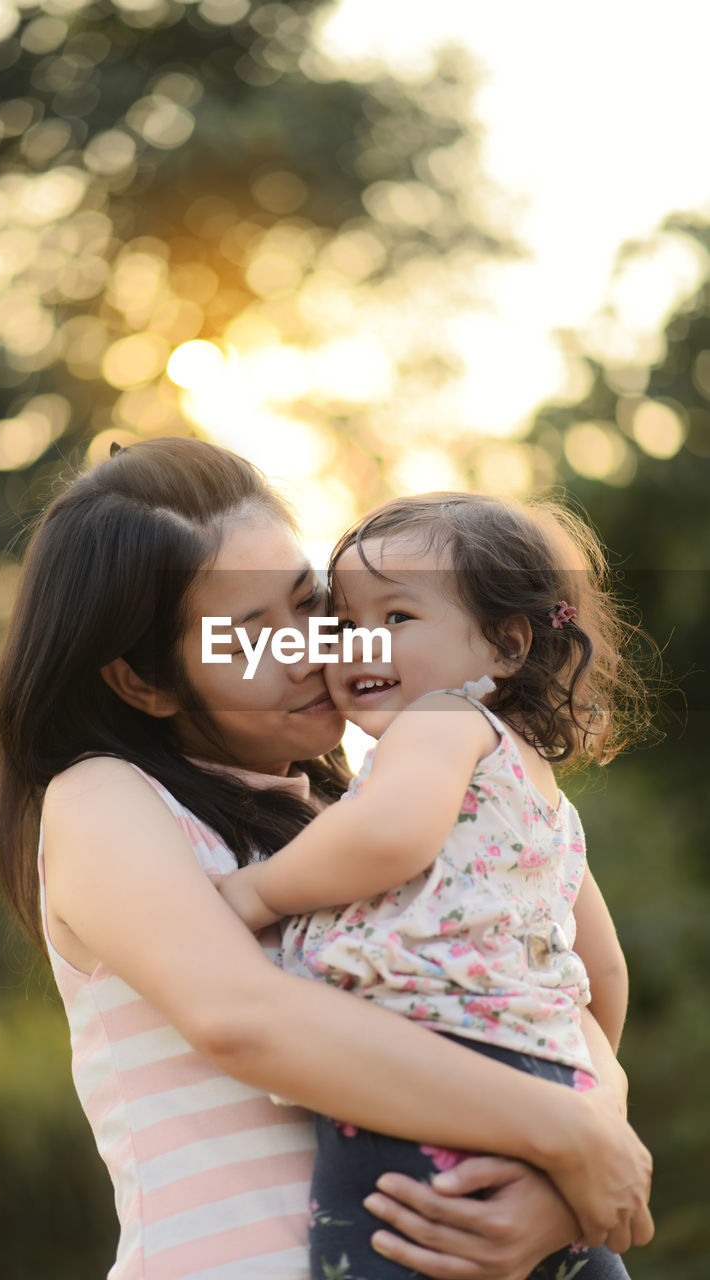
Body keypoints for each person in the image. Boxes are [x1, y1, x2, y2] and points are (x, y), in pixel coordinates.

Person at [0, 440, 653, 1280]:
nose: (316, 647)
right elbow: (242, 1019)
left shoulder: (388, 810)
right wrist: (567, 1130)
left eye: (310, 604)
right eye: (252, 633)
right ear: (143, 683)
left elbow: (565, 1000)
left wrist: (569, 1180)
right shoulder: (105, 799)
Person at [216, 491, 654, 1279]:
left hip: (427, 1088)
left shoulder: (443, 721)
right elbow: (607, 972)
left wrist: (255, 894)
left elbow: (390, 835)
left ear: (505, 646)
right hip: (543, 1107)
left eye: (397, 620)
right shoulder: (542, 801)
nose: (358, 649)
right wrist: (574, 1086)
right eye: (344, 626)